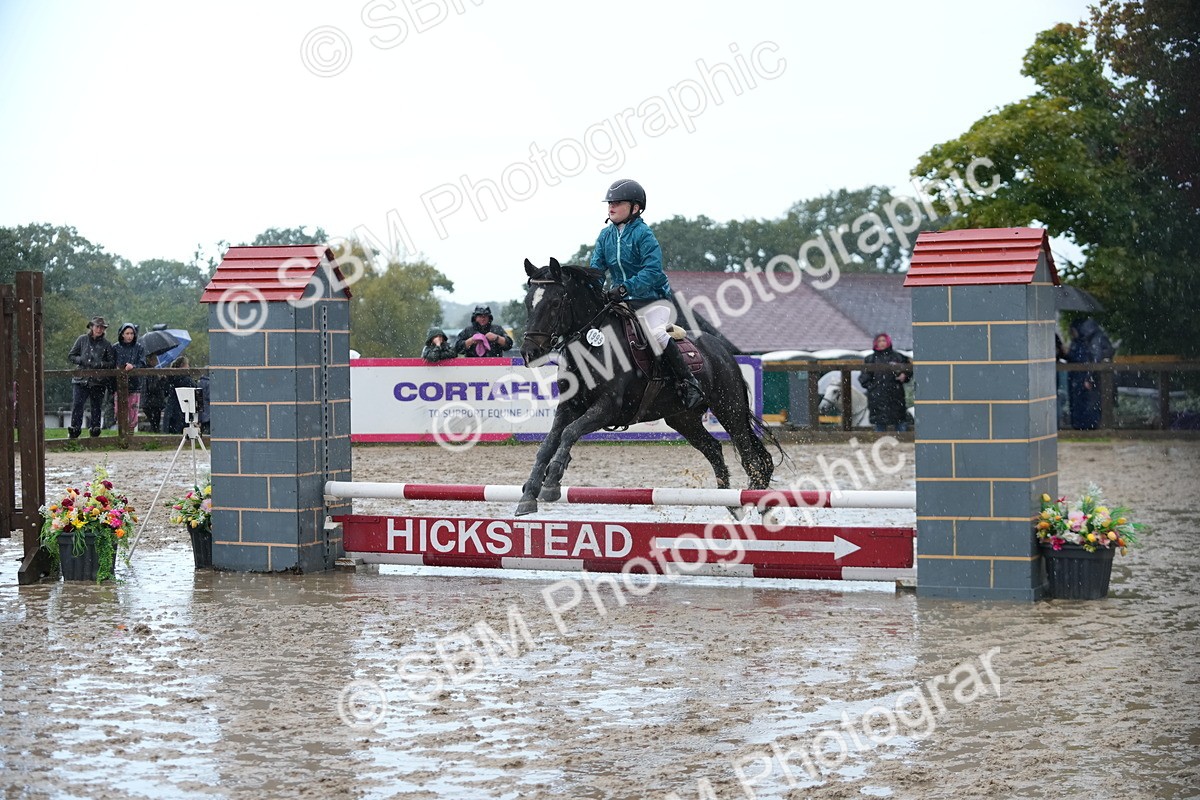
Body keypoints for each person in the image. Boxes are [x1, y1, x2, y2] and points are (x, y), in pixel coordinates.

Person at [589, 178, 705, 410]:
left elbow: (652, 271)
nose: (610, 207)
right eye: (609, 203)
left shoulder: (644, 234)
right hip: (622, 302)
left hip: (653, 300)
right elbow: (596, 270)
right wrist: (592, 288)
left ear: (635, 207)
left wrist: (625, 287)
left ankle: (689, 383)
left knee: (656, 334)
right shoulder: (605, 236)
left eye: (617, 203)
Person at [67, 316, 116, 438]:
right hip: (81, 378)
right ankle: (75, 428)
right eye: (97, 326)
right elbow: (71, 355)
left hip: (98, 380)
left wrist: (100, 364)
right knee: (78, 404)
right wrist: (81, 360)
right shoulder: (82, 340)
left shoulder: (106, 345)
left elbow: (112, 363)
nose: (99, 329)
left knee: (96, 406)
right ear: (92, 327)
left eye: (102, 327)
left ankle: (95, 428)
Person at [1066, 317, 1116, 430]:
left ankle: (1088, 426)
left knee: (1089, 403)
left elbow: (1095, 359)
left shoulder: (1092, 341)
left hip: (1086, 378)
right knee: (1088, 403)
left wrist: (1089, 377)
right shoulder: (1090, 340)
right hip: (1084, 378)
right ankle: (1086, 426)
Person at [859, 332, 912, 433]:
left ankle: (902, 441)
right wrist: (873, 387)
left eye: (884, 340)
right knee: (880, 423)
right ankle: (881, 444)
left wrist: (904, 375)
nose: (882, 343)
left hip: (895, 395)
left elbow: (909, 369)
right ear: (875, 343)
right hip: (877, 397)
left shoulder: (898, 357)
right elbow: (864, 377)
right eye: (879, 341)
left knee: (899, 421)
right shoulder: (870, 359)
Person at [111, 323, 146, 431]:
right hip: (119, 385)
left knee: (133, 412)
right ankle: (122, 434)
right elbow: (110, 363)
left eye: (131, 333)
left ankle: (130, 435)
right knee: (119, 411)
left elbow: (142, 363)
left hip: (135, 384)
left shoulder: (139, 348)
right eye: (127, 333)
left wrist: (133, 366)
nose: (129, 336)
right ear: (122, 334)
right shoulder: (115, 348)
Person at [162, 356, 198, 435]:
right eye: (187, 365)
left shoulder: (170, 378)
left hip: (171, 409)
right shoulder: (187, 380)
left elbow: (165, 392)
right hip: (183, 410)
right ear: (183, 366)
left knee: (170, 434)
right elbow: (194, 393)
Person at [141, 353, 167, 433]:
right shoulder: (152, 372)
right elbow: (153, 388)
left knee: (154, 423)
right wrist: (162, 380)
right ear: (151, 361)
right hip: (154, 402)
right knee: (155, 423)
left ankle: (154, 434)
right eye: (155, 359)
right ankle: (155, 435)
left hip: (148, 401)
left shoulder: (144, 371)